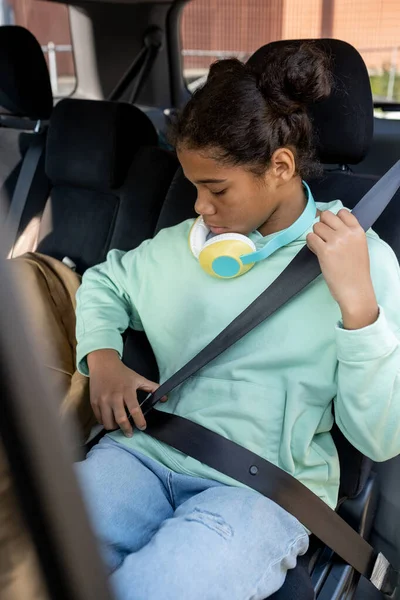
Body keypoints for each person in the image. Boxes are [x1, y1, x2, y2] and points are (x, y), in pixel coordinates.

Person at [74, 43, 400, 599]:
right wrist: (102, 357)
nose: (199, 206)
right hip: (143, 453)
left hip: (265, 491)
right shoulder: (185, 245)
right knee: (36, 547)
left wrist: (358, 306)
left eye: (216, 188)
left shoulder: (362, 260)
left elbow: (380, 436)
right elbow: (106, 281)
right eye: (194, 186)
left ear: (281, 166)